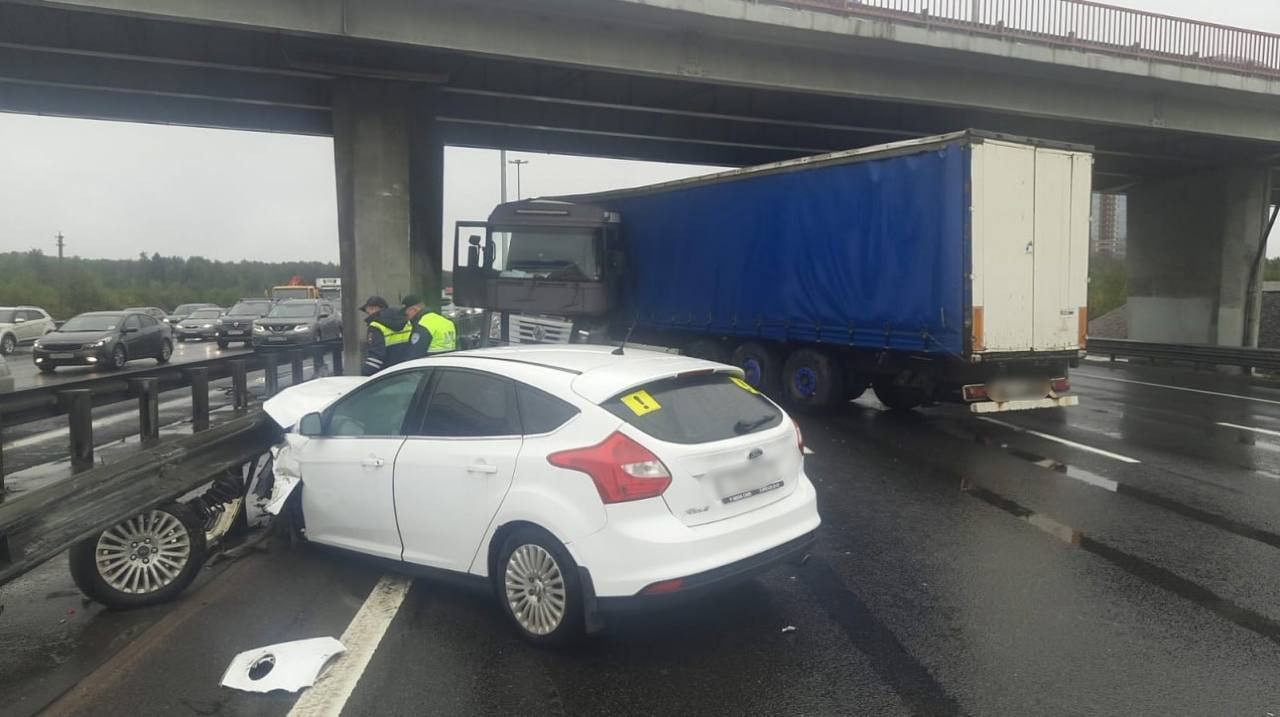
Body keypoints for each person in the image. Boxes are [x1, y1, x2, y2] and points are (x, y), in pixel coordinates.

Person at [360, 296, 411, 376]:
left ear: (374, 308)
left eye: (368, 310)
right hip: (407, 370)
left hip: (387, 374)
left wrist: (364, 374)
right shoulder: (407, 321)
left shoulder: (376, 326)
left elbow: (376, 356)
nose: (368, 314)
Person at [400, 294, 458, 360]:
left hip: (431, 365)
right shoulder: (446, 322)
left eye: (406, 313)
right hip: (448, 363)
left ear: (414, 309)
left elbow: (414, 354)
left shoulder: (422, 325)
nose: (406, 317)